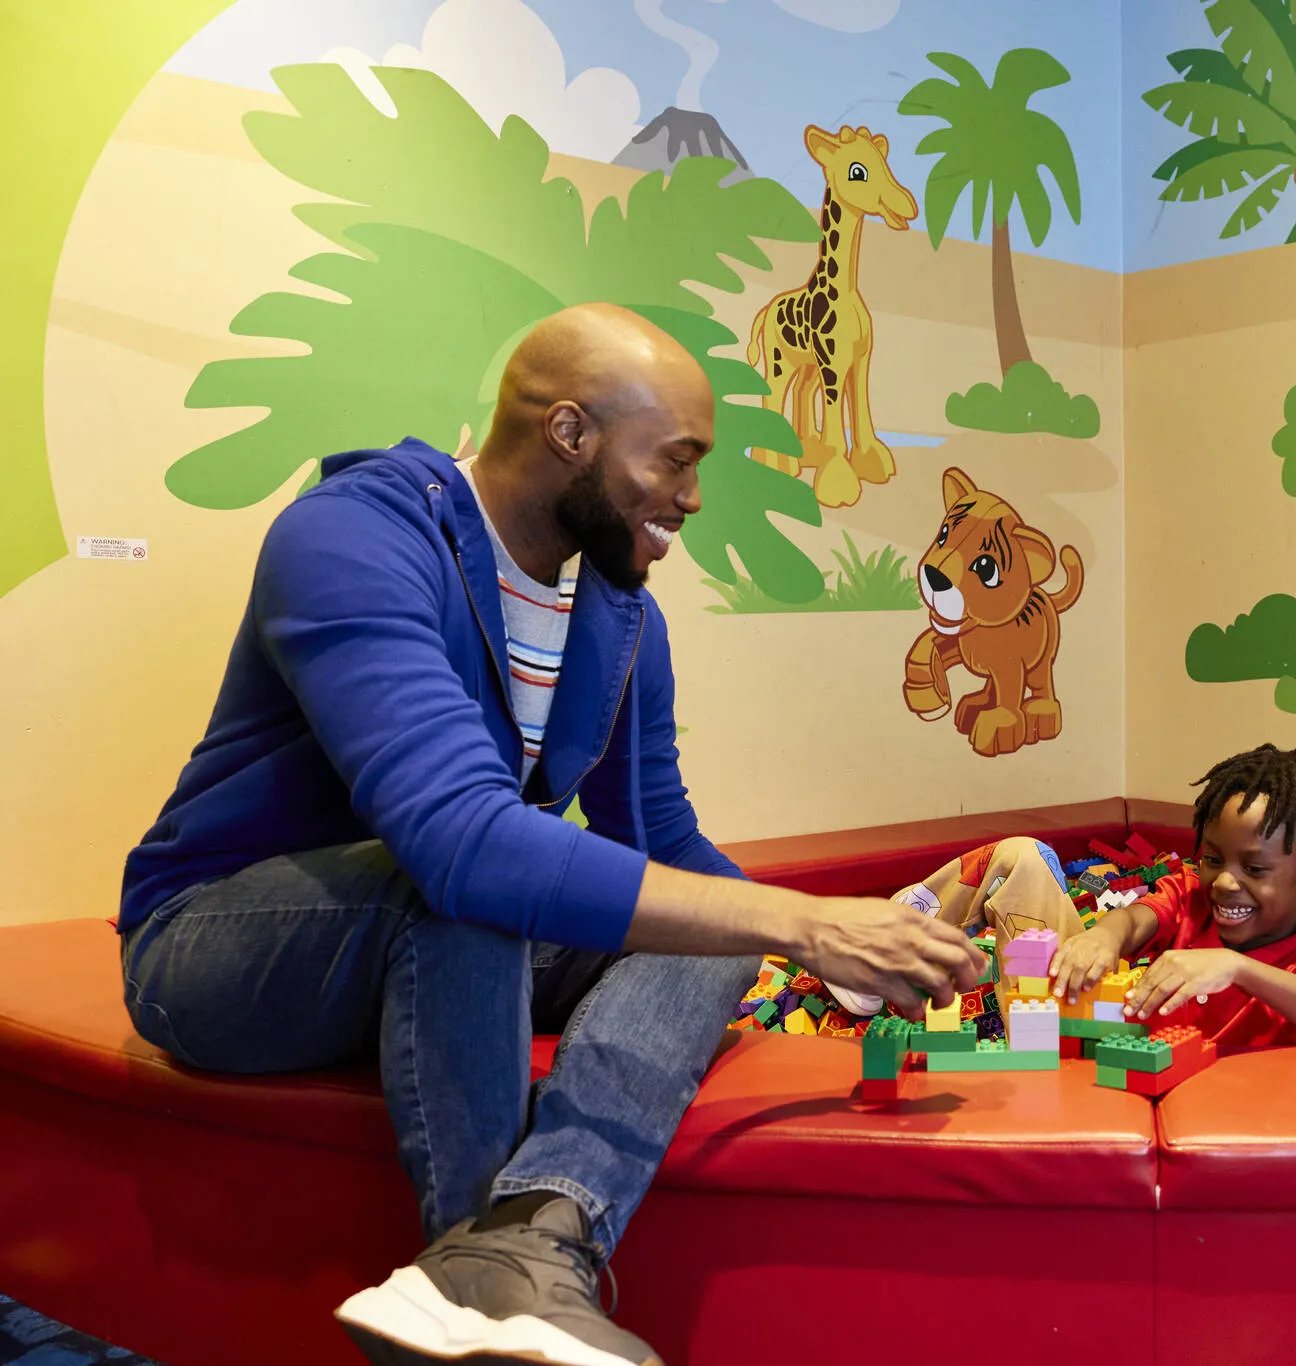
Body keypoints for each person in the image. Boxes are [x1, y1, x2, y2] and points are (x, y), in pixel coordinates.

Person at [114, 302, 980, 1366]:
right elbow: (458, 842)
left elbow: (661, 840)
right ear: (570, 433)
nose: (691, 499)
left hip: (430, 930)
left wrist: (852, 938)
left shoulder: (619, 616)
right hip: (218, 948)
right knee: (475, 883)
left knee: (706, 931)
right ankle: (475, 1288)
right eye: (674, 460)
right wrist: (805, 921)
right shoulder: (351, 534)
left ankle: (533, 1233)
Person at [1048, 745, 1296, 1048]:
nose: (1225, 882)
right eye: (1213, 860)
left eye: (1254, 868)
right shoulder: (1189, 902)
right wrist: (1105, 935)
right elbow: (1132, 920)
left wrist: (1236, 967)